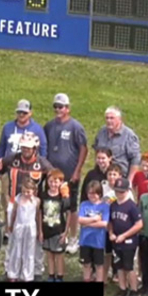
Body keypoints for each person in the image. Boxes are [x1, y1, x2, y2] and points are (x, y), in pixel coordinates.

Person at [0, 131, 55, 278]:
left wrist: (61, 193)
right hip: (14, 205)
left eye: (29, 148)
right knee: (12, 240)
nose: (25, 150)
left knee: (35, 241)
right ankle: (10, 271)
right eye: (23, 147)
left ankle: (36, 272)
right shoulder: (11, 159)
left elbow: (56, 177)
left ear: (35, 148)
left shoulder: (42, 163)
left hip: (33, 208)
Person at [43, 92, 87, 253]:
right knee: (53, 204)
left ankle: (73, 237)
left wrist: (77, 171)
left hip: (69, 174)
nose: (58, 109)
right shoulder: (49, 126)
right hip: (52, 175)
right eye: (55, 106)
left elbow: (83, 148)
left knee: (71, 207)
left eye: (61, 107)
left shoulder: (76, 127)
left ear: (67, 108)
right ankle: (58, 234)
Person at [108, 177, 143, 296]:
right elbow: (110, 222)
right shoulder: (113, 205)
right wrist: (111, 233)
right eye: (117, 191)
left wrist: (125, 235)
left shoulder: (132, 206)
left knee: (129, 266)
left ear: (127, 191)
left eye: (121, 191)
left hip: (128, 242)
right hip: (116, 241)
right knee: (119, 266)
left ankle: (134, 290)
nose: (119, 194)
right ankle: (122, 288)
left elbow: (139, 224)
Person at [4, 178, 41, 282]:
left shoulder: (36, 201)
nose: (26, 194)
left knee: (29, 252)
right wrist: (10, 226)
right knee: (16, 250)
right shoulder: (18, 199)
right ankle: (13, 273)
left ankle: (27, 275)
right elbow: (14, 213)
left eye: (28, 192)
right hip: (19, 226)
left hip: (30, 227)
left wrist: (39, 230)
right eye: (24, 191)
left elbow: (38, 215)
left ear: (33, 191)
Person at [40, 169, 72, 282]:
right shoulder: (43, 196)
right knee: (49, 254)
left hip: (59, 230)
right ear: (47, 182)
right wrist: (40, 231)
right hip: (46, 229)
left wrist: (66, 232)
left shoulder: (63, 198)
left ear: (61, 182)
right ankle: (51, 275)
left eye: (56, 182)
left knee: (59, 255)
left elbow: (68, 214)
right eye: (51, 181)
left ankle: (60, 276)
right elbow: (40, 213)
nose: (53, 184)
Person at [92, 106, 141, 180]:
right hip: (101, 176)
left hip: (119, 178)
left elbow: (135, 160)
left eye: (112, 118)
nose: (108, 120)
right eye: (107, 118)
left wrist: (129, 181)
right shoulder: (101, 132)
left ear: (120, 119)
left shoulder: (129, 135)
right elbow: (96, 150)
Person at [78, 180, 109, 282]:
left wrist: (87, 224)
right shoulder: (84, 204)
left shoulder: (104, 206)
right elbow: (80, 220)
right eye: (90, 193)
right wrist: (95, 219)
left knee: (99, 265)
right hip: (85, 240)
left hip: (98, 241)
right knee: (86, 264)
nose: (92, 195)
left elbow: (104, 223)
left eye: (94, 193)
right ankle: (87, 279)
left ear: (99, 194)